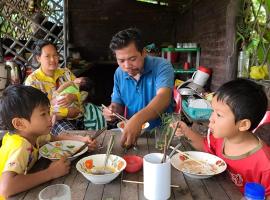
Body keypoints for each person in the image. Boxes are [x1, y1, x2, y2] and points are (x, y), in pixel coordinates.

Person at [172, 78, 270, 198]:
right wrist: (186, 131)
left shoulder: (264, 163)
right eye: (212, 111)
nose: (211, 118)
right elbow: (204, 146)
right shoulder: (222, 138)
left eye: (219, 115)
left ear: (243, 125)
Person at [0, 85, 97, 198]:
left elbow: (55, 138)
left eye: (48, 112)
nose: (50, 117)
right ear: (19, 124)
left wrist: (82, 141)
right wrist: (50, 173)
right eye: (43, 114)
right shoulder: (20, 145)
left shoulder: (32, 135)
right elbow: (6, 188)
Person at [103, 28, 174, 147]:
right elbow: (117, 103)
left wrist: (137, 119)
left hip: (162, 135)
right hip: (133, 133)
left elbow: (163, 97)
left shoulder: (162, 66)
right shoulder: (119, 73)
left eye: (132, 59)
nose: (126, 66)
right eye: (121, 60)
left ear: (144, 52)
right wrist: (112, 110)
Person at [24, 40, 83, 135]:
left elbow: (83, 92)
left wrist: (73, 97)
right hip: (55, 122)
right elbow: (35, 111)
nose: (53, 59)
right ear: (38, 58)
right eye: (47, 56)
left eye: (55, 55)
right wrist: (66, 112)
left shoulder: (66, 72)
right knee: (73, 137)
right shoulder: (33, 82)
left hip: (80, 115)